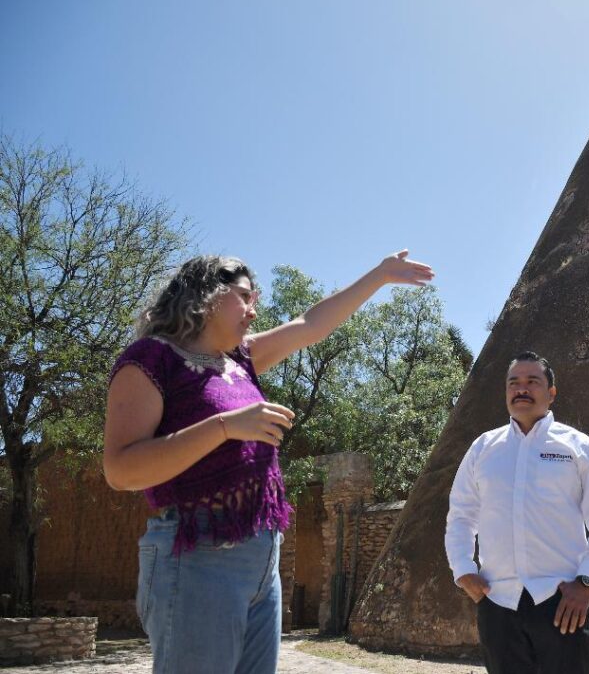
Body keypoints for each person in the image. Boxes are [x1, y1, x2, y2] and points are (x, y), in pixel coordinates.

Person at [103, 250, 433, 674]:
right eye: (244, 297)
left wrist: (379, 276)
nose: (253, 310)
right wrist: (223, 426)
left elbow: (310, 325)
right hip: (197, 554)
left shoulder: (240, 360)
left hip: (262, 556)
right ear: (205, 295)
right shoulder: (152, 358)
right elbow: (121, 469)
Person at [445, 351, 589, 674]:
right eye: (513, 383)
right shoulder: (483, 449)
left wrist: (586, 581)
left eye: (532, 381)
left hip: (562, 603)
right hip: (498, 602)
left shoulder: (578, 447)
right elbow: (461, 515)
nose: (521, 389)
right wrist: (462, 568)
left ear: (551, 393)